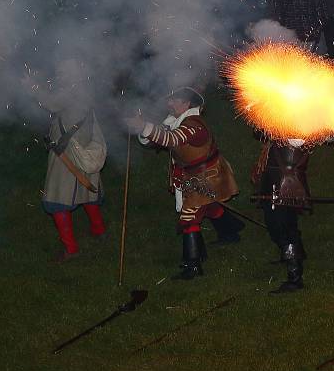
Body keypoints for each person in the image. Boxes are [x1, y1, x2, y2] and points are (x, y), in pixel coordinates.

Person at [126, 88, 242, 280]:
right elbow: (156, 141)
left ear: (187, 104)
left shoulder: (195, 125)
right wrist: (142, 129)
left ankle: (193, 265)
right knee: (210, 207)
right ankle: (230, 232)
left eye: (175, 101)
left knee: (189, 218)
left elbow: (172, 139)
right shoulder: (176, 122)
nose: (170, 104)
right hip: (194, 177)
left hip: (207, 177)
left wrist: (145, 126)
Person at [28, 60, 106, 262]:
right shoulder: (83, 89)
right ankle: (99, 230)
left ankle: (71, 249)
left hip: (68, 155)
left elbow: (50, 102)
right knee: (87, 191)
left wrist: (32, 86)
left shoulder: (72, 91)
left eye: (64, 71)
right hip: (82, 149)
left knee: (57, 200)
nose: (60, 75)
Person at [253, 136, 312, 293]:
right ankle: (294, 254)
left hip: (286, 181)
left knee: (281, 226)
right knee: (282, 223)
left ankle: (295, 277)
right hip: (275, 177)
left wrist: (278, 125)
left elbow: (297, 140)